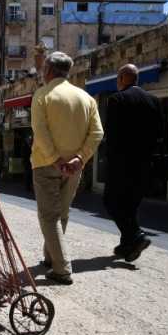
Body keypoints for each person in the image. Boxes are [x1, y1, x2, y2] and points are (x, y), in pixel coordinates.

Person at [31, 51, 103, 285]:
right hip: (74, 167)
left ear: (49, 71)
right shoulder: (86, 98)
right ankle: (50, 257)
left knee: (49, 216)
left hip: (45, 164)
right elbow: (97, 133)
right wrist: (80, 159)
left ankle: (62, 268)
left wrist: (55, 159)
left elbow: (40, 132)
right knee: (61, 213)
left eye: (43, 70)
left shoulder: (42, 95)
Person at [104, 64, 163, 262]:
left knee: (111, 202)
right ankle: (127, 247)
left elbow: (112, 135)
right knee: (130, 206)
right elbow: (159, 134)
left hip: (121, 163)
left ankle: (136, 235)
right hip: (144, 164)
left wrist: (108, 162)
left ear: (121, 79)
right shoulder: (154, 101)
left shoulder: (116, 99)